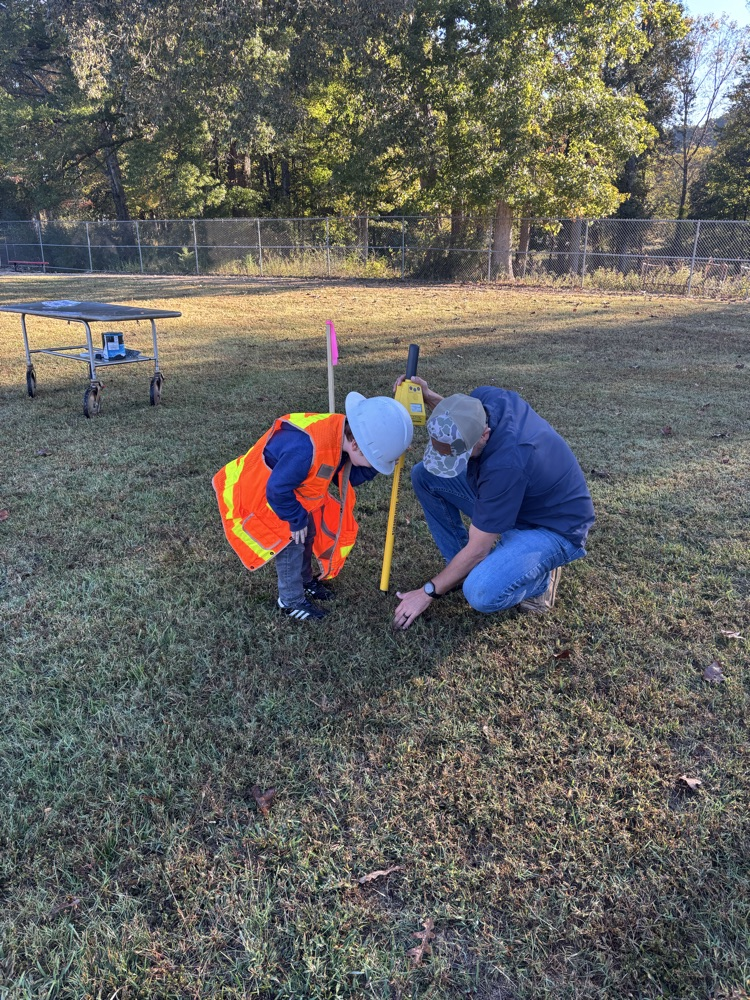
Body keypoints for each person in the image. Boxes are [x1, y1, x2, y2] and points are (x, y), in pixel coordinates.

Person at [393, 378, 595, 630]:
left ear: (485, 435)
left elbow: (479, 548)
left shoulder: (505, 465)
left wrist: (427, 592)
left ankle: (539, 582)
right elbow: (461, 413)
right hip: (520, 498)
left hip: (553, 527)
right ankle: (459, 567)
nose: (457, 462)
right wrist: (428, 395)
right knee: (425, 475)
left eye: (462, 455)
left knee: (480, 593)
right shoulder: (486, 400)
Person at [213, 393, 413, 622]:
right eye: (374, 460)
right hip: (263, 496)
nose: (376, 465)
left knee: (307, 535)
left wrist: (375, 464)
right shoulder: (306, 449)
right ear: (356, 445)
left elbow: (344, 477)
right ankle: (290, 601)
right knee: (292, 542)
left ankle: (306, 581)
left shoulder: (339, 438)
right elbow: (276, 490)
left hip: (291, 493)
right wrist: (296, 519)